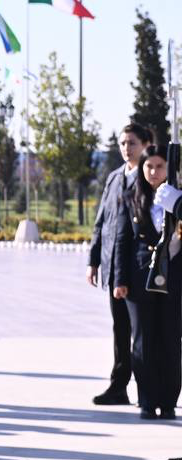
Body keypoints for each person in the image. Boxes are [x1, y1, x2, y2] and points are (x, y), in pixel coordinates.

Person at [87, 123, 150, 406]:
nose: (126, 148)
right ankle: (119, 385)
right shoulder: (114, 178)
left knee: (141, 332)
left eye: (132, 143)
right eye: (123, 143)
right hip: (113, 267)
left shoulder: (150, 178)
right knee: (120, 329)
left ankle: (148, 387)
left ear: (146, 145)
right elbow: (101, 222)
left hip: (137, 270)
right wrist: (93, 260)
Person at [115, 145, 180, 420]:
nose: (154, 172)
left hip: (174, 277)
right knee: (143, 342)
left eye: (160, 166)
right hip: (139, 276)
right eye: (149, 167)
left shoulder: (177, 196)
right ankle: (146, 399)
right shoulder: (131, 197)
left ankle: (167, 402)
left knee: (170, 340)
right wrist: (119, 279)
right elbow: (122, 239)